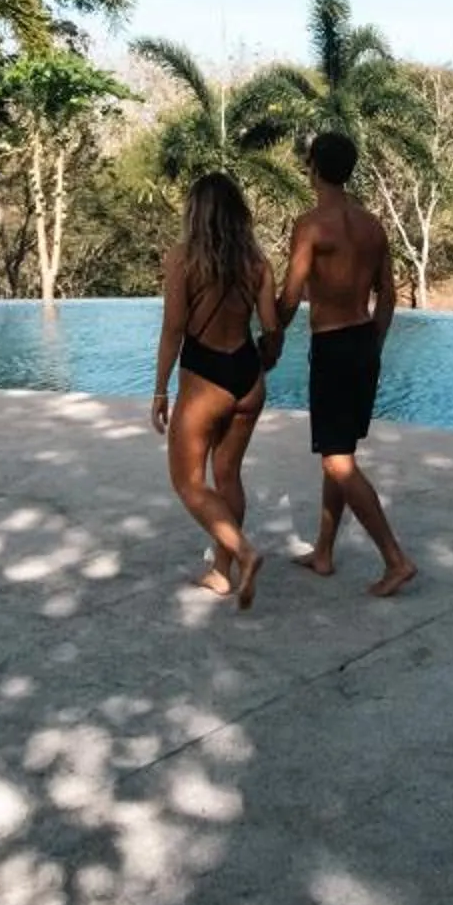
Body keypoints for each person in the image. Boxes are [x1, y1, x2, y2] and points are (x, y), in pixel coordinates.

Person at [276, 130, 416, 597]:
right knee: (337, 455)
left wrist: (268, 333)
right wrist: (372, 344)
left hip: (334, 348)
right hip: (362, 343)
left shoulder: (311, 225)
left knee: (337, 461)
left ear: (313, 167)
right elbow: (389, 297)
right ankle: (324, 552)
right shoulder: (373, 225)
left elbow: (292, 297)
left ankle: (395, 560)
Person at [152, 172, 275, 607]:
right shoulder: (258, 262)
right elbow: (272, 327)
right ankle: (221, 574)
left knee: (188, 483)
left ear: (195, 213)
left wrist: (160, 390)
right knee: (227, 476)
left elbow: (174, 329)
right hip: (247, 377)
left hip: (206, 378)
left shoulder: (183, 259)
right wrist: (267, 359)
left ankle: (243, 553)